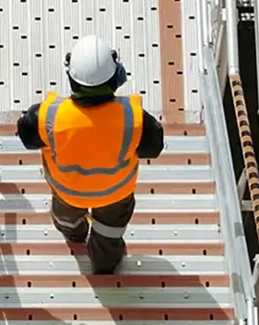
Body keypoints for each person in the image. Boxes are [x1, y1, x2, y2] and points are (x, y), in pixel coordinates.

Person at [15, 35, 165, 274]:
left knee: (67, 221)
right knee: (109, 235)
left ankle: (74, 236)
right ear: (115, 77)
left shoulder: (48, 117)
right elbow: (153, 149)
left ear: (71, 78)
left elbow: (26, 136)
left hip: (68, 192)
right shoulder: (134, 118)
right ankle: (104, 264)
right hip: (115, 194)